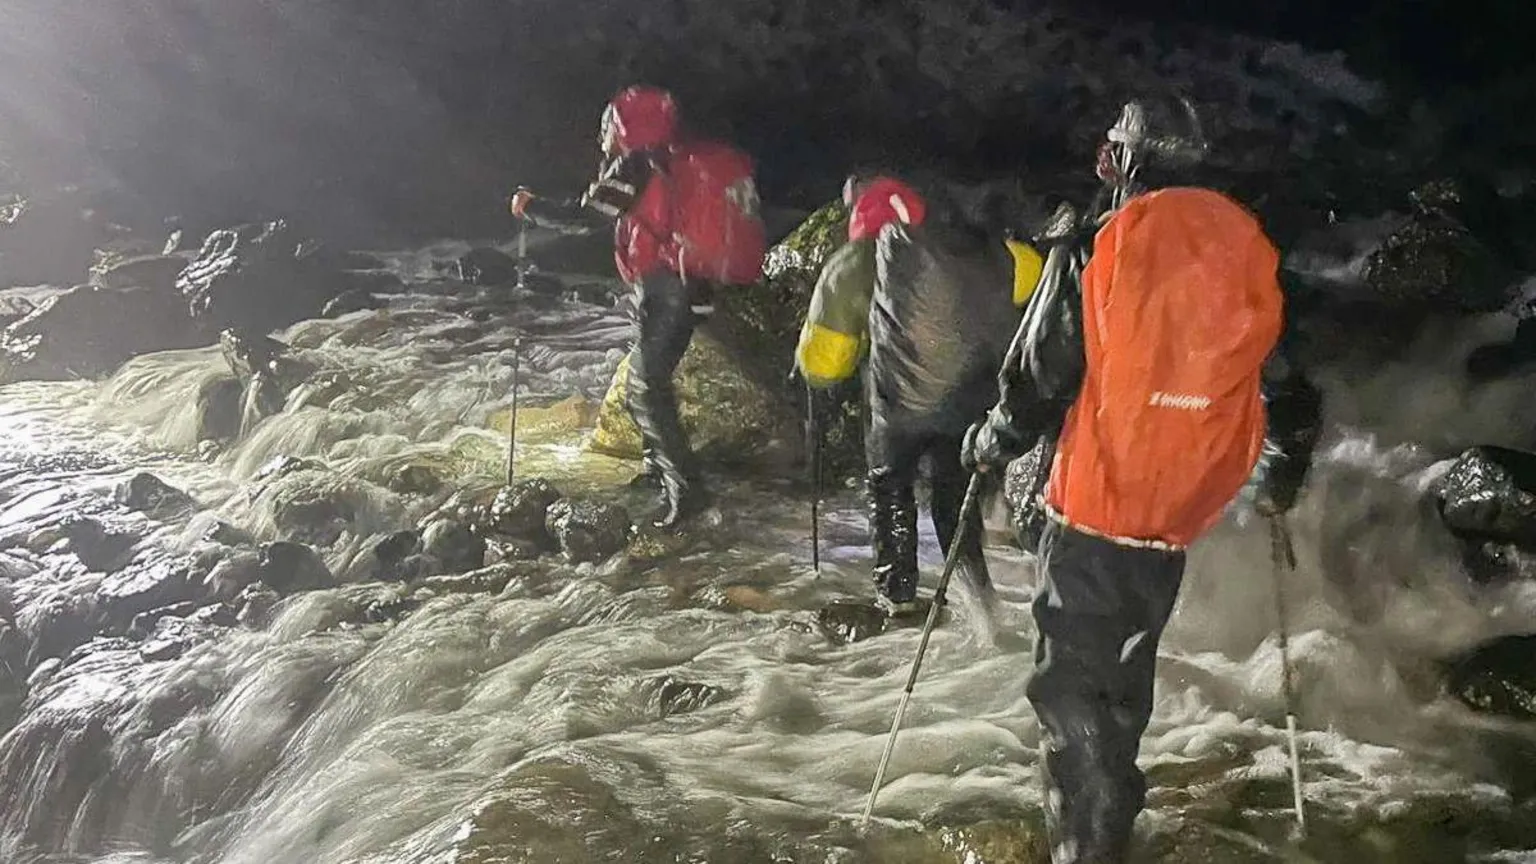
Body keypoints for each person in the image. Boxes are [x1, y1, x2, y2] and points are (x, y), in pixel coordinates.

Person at [961, 98, 1323, 863]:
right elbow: (1289, 383)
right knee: (1123, 666)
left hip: (1099, 497)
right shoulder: (1245, 245)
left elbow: (1041, 371)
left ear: (1120, 159)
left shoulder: (1098, 240)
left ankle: (1088, 843)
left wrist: (994, 440)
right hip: (1183, 507)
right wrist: (1280, 473)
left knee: (1068, 689)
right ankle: (1116, 803)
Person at [512, 85, 765, 529]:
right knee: (645, 384)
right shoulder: (666, 162)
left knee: (647, 388)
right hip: (685, 287)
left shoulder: (636, 165)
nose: (602, 135)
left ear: (625, 126)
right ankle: (657, 472)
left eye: (608, 124)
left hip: (669, 289)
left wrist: (531, 209)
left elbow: (587, 216)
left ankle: (687, 493)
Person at [795, 173, 1045, 617]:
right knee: (953, 495)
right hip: (968, 405)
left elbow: (825, 364)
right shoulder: (1002, 254)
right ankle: (980, 604)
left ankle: (899, 597)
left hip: (898, 412)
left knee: (891, 489)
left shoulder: (854, 264)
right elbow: (1033, 293)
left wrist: (814, 385)